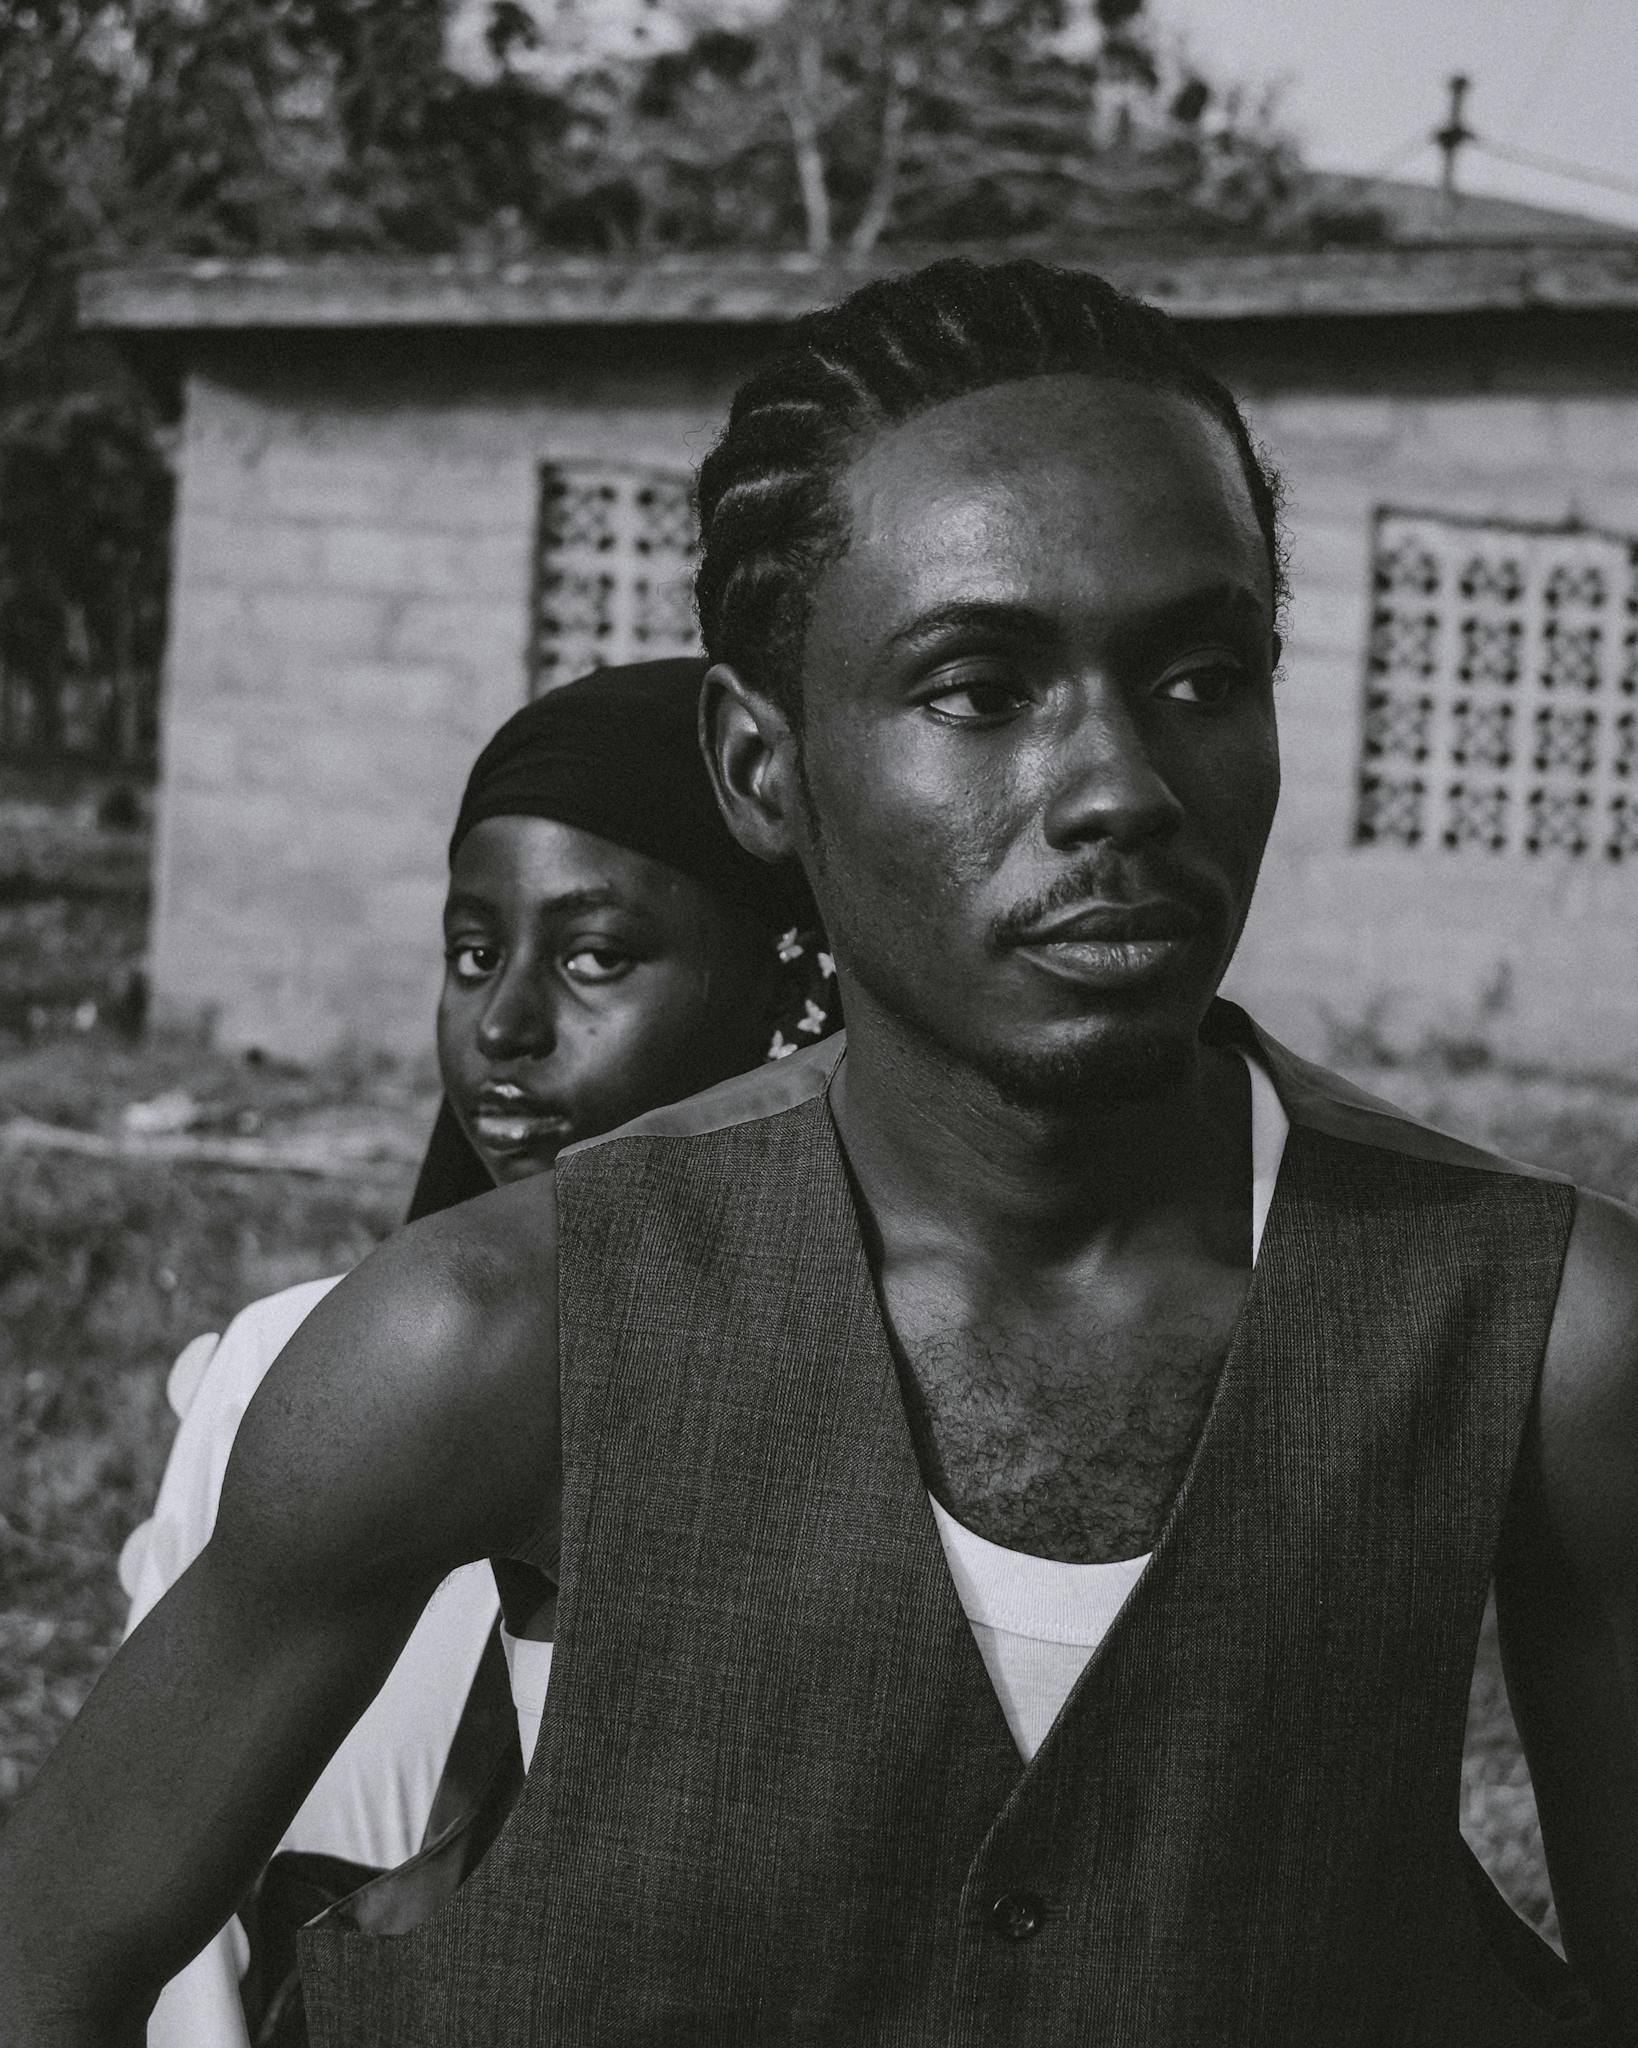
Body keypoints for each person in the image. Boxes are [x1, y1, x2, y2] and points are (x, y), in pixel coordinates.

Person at [1, 255, 1635, 2046]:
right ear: (761, 768)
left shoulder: (1540, 1337)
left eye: (1196, 674)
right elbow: (49, 1958)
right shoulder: (490, 1335)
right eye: (976, 688)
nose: (1119, 788)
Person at [109, 656, 830, 2047]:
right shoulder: (287, 1376)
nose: (501, 1030)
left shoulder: (860, 1437)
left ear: (788, 991)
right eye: (470, 952)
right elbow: (158, 1928)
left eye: (594, 956)